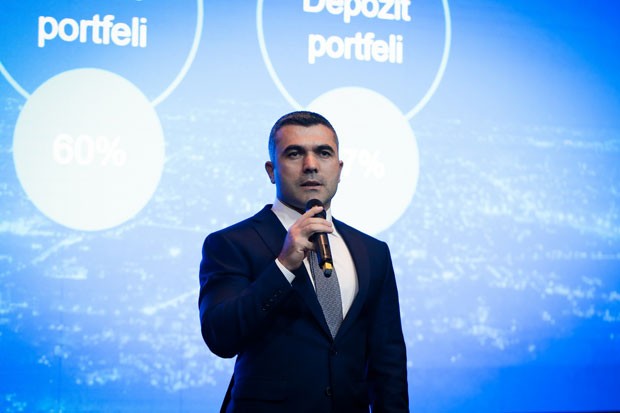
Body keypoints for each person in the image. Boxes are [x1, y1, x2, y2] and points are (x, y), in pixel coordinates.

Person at [198, 111, 409, 412]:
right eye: (295, 153)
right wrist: (283, 265)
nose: (311, 165)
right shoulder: (231, 243)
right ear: (271, 170)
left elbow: (388, 360)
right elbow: (221, 337)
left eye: (323, 153)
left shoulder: (372, 251)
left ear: (339, 168)